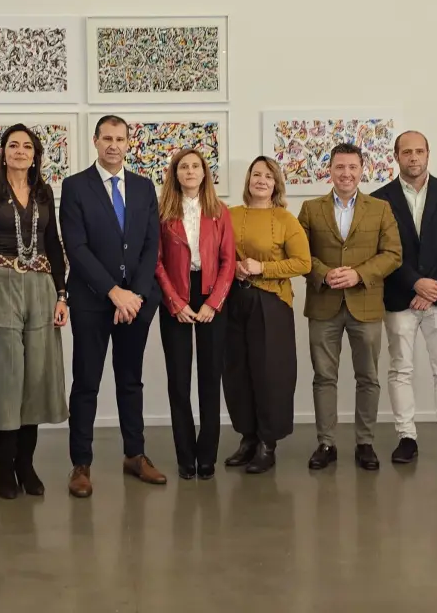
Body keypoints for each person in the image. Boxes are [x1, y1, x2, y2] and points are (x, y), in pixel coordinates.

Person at [60, 114, 166, 497]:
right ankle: (81, 464)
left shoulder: (143, 186)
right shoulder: (75, 186)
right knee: (86, 382)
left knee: (130, 380)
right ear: (95, 141)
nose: (113, 145)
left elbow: (151, 245)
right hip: (91, 300)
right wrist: (112, 291)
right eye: (107, 138)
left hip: (135, 303)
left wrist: (134, 294)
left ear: (128, 143)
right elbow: (76, 247)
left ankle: (135, 455)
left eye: (120, 139)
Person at [0, 124, 69, 499]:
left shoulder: (44, 192)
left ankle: (26, 465)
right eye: (14, 145)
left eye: (27, 146)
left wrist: (62, 294)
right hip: (2, 283)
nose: (21, 151)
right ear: (3, 152)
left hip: (41, 286)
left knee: (36, 378)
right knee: (7, 377)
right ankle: (4, 466)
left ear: (35, 155)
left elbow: (53, 244)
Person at [298, 143, 402, 471]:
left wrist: (358, 274)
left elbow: (393, 254)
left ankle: (365, 443)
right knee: (323, 377)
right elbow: (300, 254)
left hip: (366, 304)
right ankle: (326, 443)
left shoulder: (380, 208)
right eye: (340, 167)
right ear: (329, 170)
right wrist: (323, 274)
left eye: (352, 167)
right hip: (323, 304)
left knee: (368, 377)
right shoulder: (310, 209)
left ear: (362, 170)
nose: (346, 173)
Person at [370, 131, 437, 469]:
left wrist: (432, 287)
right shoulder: (379, 199)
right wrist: (415, 283)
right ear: (396, 156)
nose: (414, 157)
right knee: (400, 368)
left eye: (419, 151)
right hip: (400, 295)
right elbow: (383, 250)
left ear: (428, 154)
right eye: (407, 152)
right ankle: (406, 437)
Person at [223, 157, 310, 473]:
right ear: (248, 180)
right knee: (237, 371)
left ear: (276, 184)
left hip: (271, 303)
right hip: (234, 300)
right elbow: (217, 254)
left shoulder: (285, 219)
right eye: (256, 174)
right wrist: (233, 268)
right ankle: (247, 438)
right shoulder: (229, 214)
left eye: (268, 176)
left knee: (270, 373)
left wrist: (263, 267)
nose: (261, 180)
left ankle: (267, 443)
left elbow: (303, 263)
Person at [155, 149, 235, 480]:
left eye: (195, 166)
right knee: (178, 380)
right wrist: (174, 301)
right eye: (183, 167)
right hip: (176, 295)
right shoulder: (162, 213)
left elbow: (229, 260)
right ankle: (185, 456)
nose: (190, 171)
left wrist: (214, 302)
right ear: (175, 174)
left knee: (210, 379)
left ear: (204, 173)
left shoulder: (220, 212)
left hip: (210, 294)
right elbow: (156, 261)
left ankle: (207, 456)